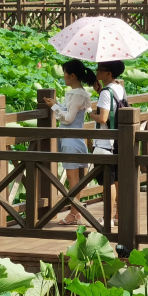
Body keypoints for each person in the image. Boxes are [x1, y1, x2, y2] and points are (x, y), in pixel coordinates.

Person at [43, 59, 96, 225]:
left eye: (65, 73)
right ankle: (76, 212)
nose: (63, 76)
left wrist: (54, 107)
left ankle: (74, 213)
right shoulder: (81, 93)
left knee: (73, 180)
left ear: (72, 75)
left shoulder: (76, 94)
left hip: (70, 140)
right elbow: (71, 113)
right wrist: (56, 104)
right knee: (76, 179)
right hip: (75, 138)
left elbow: (68, 119)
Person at [89, 60, 127, 228]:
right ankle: (119, 215)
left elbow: (103, 118)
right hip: (118, 140)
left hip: (105, 143)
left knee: (108, 182)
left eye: (100, 69)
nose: (97, 71)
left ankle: (108, 217)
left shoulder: (106, 92)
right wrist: (100, 91)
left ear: (108, 73)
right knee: (117, 179)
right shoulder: (119, 88)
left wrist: (91, 114)